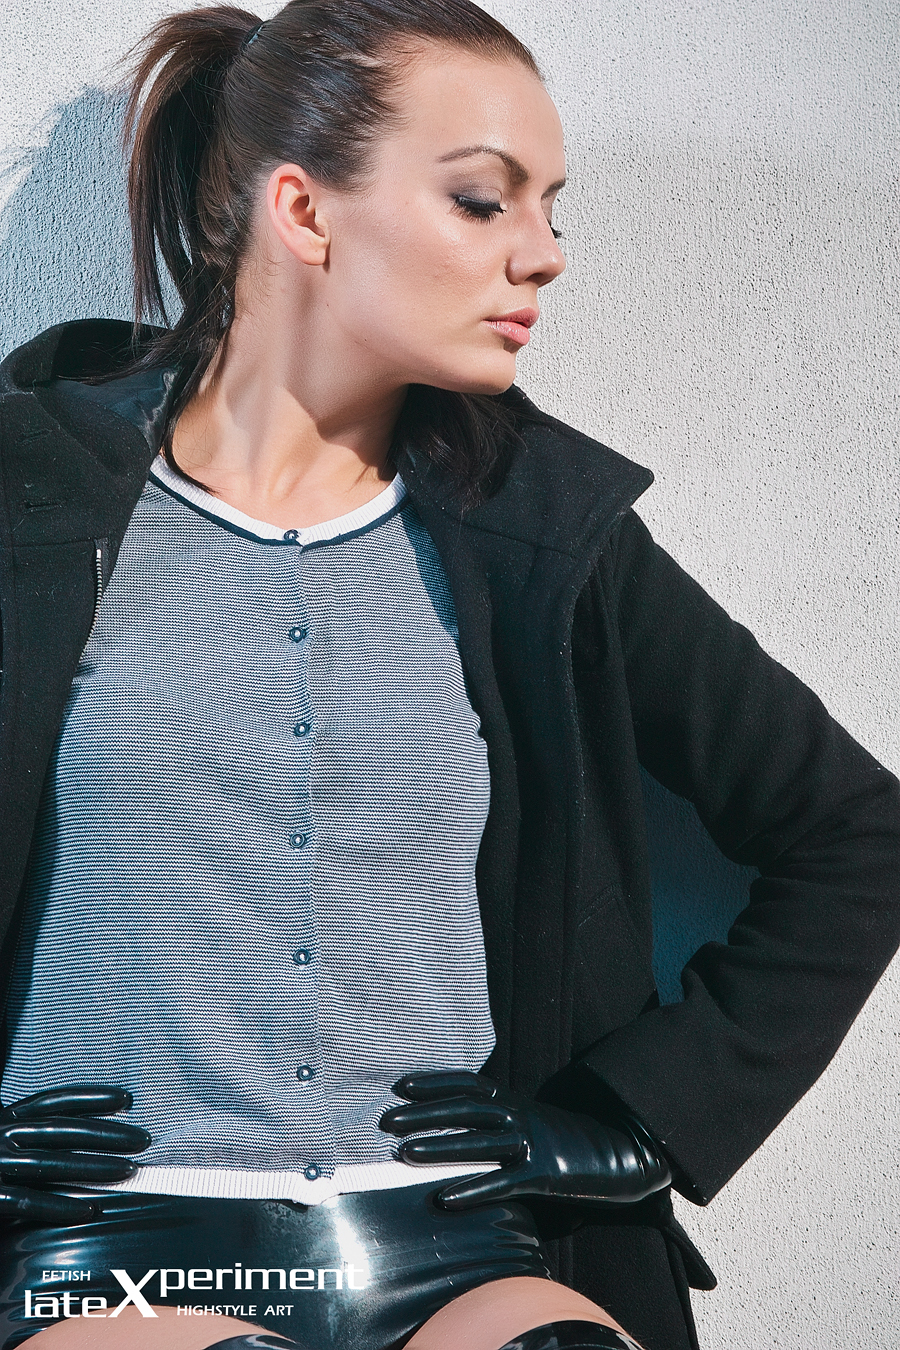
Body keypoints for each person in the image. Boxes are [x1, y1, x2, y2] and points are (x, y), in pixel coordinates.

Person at [0, 2, 897, 1349]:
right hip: (114, 1263)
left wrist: (641, 1114)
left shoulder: (544, 532)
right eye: (484, 200)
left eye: (550, 207)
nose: (543, 253)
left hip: (465, 1248)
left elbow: (858, 833)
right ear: (305, 212)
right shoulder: (31, 500)